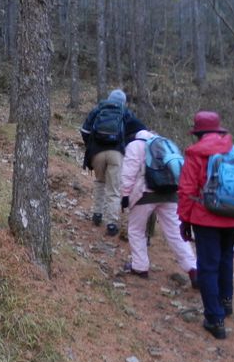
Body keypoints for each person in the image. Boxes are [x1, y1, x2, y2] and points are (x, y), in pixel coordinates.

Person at [177, 111, 234, 340]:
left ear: (199, 133)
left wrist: (184, 221)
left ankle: (214, 319)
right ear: (219, 131)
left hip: (205, 218)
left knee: (207, 266)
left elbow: (186, 191)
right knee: (226, 257)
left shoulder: (195, 155)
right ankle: (225, 303)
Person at [119, 120, 197, 283]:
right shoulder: (164, 143)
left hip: (145, 193)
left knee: (136, 230)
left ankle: (139, 267)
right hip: (170, 192)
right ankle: (193, 269)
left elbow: (128, 173)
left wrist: (124, 195)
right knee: (176, 233)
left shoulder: (135, 145)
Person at [80, 89, 142, 237]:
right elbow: (140, 130)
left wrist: (92, 146)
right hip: (116, 154)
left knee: (100, 182)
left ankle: (97, 214)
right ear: (123, 102)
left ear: (109, 98)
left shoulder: (98, 109)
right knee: (113, 188)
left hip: (97, 153)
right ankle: (112, 223)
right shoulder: (125, 112)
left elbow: (84, 130)